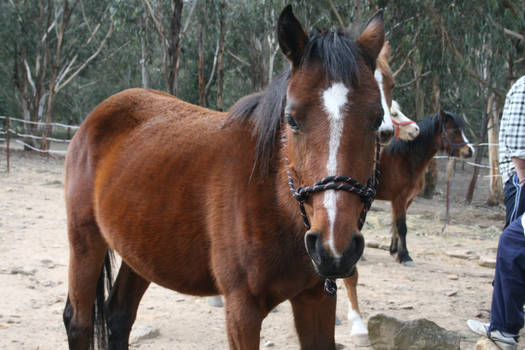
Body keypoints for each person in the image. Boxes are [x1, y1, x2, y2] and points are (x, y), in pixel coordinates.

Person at [467, 76, 525, 350]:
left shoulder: (523, 86)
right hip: (517, 176)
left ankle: (503, 325)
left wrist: (519, 173)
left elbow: (518, 146)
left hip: (520, 179)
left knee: (513, 245)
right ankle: (502, 320)